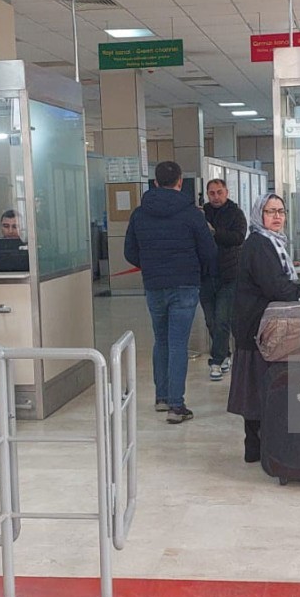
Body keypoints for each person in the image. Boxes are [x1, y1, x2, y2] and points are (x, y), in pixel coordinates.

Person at [123, 161, 216, 424]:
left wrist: (150, 265)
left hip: (154, 285)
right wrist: (198, 270)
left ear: (155, 182)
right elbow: (209, 251)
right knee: (177, 344)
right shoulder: (192, 214)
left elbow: (129, 252)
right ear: (180, 182)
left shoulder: (140, 214)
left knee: (161, 340)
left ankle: (162, 397)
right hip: (185, 284)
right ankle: (177, 405)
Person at [228, 194, 300, 463]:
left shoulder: (271, 243)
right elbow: (276, 287)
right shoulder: (260, 244)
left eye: (281, 211)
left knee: (259, 390)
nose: (277, 217)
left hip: (261, 327)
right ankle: (259, 449)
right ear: (259, 214)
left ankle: (259, 448)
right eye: (270, 211)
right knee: (258, 390)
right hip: (257, 328)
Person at [200, 179, 246, 381]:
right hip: (205, 275)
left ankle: (216, 361)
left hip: (229, 275)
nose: (216, 197)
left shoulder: (236, 213)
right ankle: (225, 353)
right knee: (210, 321)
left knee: (222, 319)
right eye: (212, 193)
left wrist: (215, 233)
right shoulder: (201, 214)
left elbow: (238, 238)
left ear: (226, 192)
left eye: (219, 192)